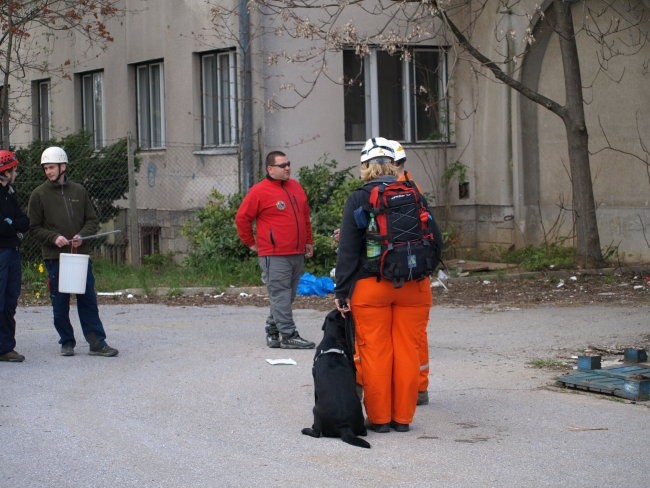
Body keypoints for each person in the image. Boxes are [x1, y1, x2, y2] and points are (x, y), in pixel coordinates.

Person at [334, 137, 432, 433]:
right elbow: (435, 239)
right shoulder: (413, 192)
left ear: (365, 165)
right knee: (407, 350)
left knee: (375, 352)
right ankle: (403, 419)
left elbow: (348, 250)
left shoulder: (359, 198)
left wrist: (341, 291)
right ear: (393, 163)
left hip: (371, 286)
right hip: (414, 284)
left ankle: (379, 420)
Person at [27, 146, 118, 357]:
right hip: (54, 257)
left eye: (51, 167)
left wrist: (81, 236)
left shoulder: (79, 191)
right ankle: (66, 341)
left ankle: (97, 341)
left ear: (63, 166)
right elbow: (33, 227)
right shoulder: (38, 195)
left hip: (79, 256)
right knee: (60, 302)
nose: (48, 172)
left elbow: (92, 220)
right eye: (46, 168)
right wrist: (53, 238)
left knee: (87, 299)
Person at [235, 150, 316, 349]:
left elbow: (304, 217)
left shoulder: (295, 187)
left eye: (288, 164)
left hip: (296, 252)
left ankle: (272, 329)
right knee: (281, 294)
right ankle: (288, 335)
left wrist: (308, 241)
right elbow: (242, 218)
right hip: (275, 255)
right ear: (270, 168)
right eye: (282, 165)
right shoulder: (259, 191)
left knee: (287, 296)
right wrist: (251, 243)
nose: (287, 168)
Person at [387, 139, 431, 406]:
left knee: (386, 337)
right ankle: (418, 388)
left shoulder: (388, 192)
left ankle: (404, 389)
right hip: (418, 273)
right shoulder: (416, 190)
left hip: (393, 274)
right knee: (415, 336)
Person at [0, 150, 30, 362]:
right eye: (14, 170)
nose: (16, 173)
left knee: (10, 300)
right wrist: (12, 227)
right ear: (5, 171)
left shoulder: (10, 192)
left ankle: (6, 347)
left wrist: (12, 224)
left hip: (13, 252)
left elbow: (24, 220)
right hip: (1, 253)